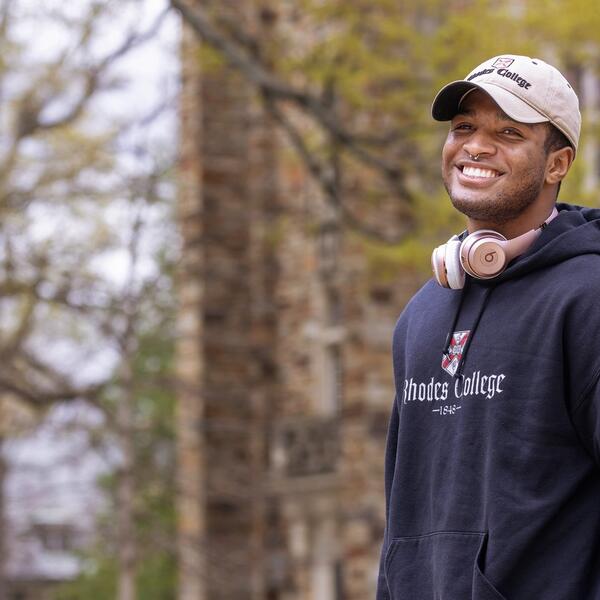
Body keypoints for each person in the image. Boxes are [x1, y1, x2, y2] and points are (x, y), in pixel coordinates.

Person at [376, 54, 600, 599]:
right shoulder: (421, 315)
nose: (476, 146)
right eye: (464, 127)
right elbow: (402, 513)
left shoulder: (588, 296)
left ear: (556, 164)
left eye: (509, 132)